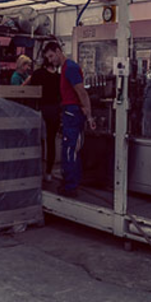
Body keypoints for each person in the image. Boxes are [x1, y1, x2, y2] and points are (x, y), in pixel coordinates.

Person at [44, 41, 95, 197]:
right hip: (68, 112)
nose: (51, 60)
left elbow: (82, 93)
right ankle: (69, 183)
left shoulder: (70, 68)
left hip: (73, 113)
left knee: (70, 151)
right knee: (68, 149)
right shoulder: (64, 69)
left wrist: (89, 116)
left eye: (52, 56)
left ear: (59, 51)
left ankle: (71, 186)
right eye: (48, 58)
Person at [28, 54, 62, 180]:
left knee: (38, 141)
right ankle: (48, 172)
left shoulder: (37, 74)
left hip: (39, 110)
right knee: (51, 141)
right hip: (54, 111)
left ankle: (37, 170)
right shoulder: (58, 77)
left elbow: (27, 89)